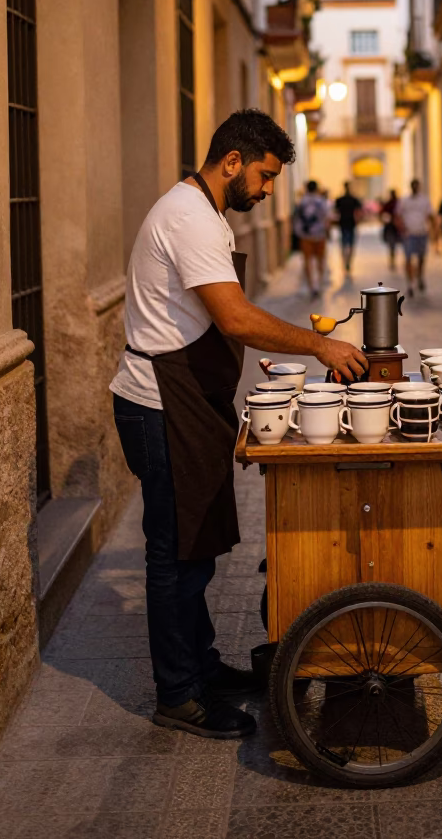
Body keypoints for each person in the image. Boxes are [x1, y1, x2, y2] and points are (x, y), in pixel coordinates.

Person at [109, 110, 367, 741]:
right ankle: (180, 696)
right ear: (232, 162)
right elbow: (235, 319)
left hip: (187, 401)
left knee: (195, 550)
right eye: (264, 175)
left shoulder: (205, 213)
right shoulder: (189, 216)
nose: (267, 189)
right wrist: (320, 347)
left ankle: (201, 668)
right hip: (160, 402)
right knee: (174, 556)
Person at [395, 178, 436, 297]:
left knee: (421, 258)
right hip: (409, 234)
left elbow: (430, 215)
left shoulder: (424, 200)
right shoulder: (404, 201)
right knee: (408, 258)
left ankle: (420, 276)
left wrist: (433, 231)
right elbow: (398, 215)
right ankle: (410, 283)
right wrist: (402, 228)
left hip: (421, 233)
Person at [293, 179, 331, 298]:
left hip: (305, 235)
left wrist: (298, 232)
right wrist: (327, 231)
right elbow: (327, 217)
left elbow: (297, 218)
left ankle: (312, 286)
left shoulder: (302, 201)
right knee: (320, 259)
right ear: (316, 188)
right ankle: (319, 283)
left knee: (307, 260)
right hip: (319, 234)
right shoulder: (322, 201)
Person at [334, 181, 363, 278]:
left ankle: (345, 262)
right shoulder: (354, 199)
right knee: (350, 245)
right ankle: (348, 262)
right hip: (351, 224)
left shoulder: (340, 199)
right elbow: (359, 211)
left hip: (343, 224)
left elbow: (335, 211)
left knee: (343, 245)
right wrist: (358, 220)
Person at [380, 188, 401, 269]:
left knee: (392, 245)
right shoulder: (391, 204)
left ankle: (393, 260)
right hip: (391, 227)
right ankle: (392, 260)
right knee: (392, 245)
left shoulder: (398, 204)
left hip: (395, 227)